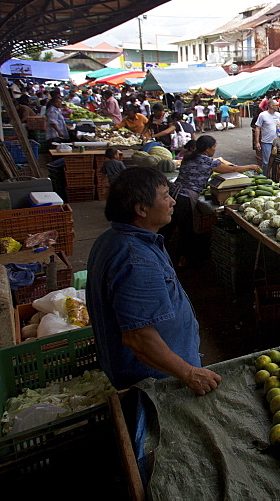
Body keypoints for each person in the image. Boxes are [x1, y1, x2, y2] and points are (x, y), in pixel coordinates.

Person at [87, 167, 221, 394]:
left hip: (154, 372)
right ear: (141, 209)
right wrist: (188, 373)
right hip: (158, 381)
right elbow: (139, 338)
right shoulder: (136, 260)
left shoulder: (113, 238)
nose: (173, 202)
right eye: (165, 196)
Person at [168, 136, 258, 264]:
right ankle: (183, 260)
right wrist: (250, 166)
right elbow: (232, 170)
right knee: (186, 230)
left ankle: (169, 253)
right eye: (214, 147)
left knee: (171, 226)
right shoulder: (208, 161)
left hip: (172, 193)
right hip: (186, 198)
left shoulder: (188, 157)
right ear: (206, 149)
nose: (215, 150)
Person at [252, 99, 280, 173]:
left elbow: (279, 126)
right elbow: (257, 128)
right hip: (266, 142)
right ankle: (265, 174)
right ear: (271, 106)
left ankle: (274, 176)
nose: (278, 107)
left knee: (276, 161)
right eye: (276, 105)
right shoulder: (263, 115)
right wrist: (257, 142)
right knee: (266, 161)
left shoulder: (278, 114)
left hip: (277, 142)